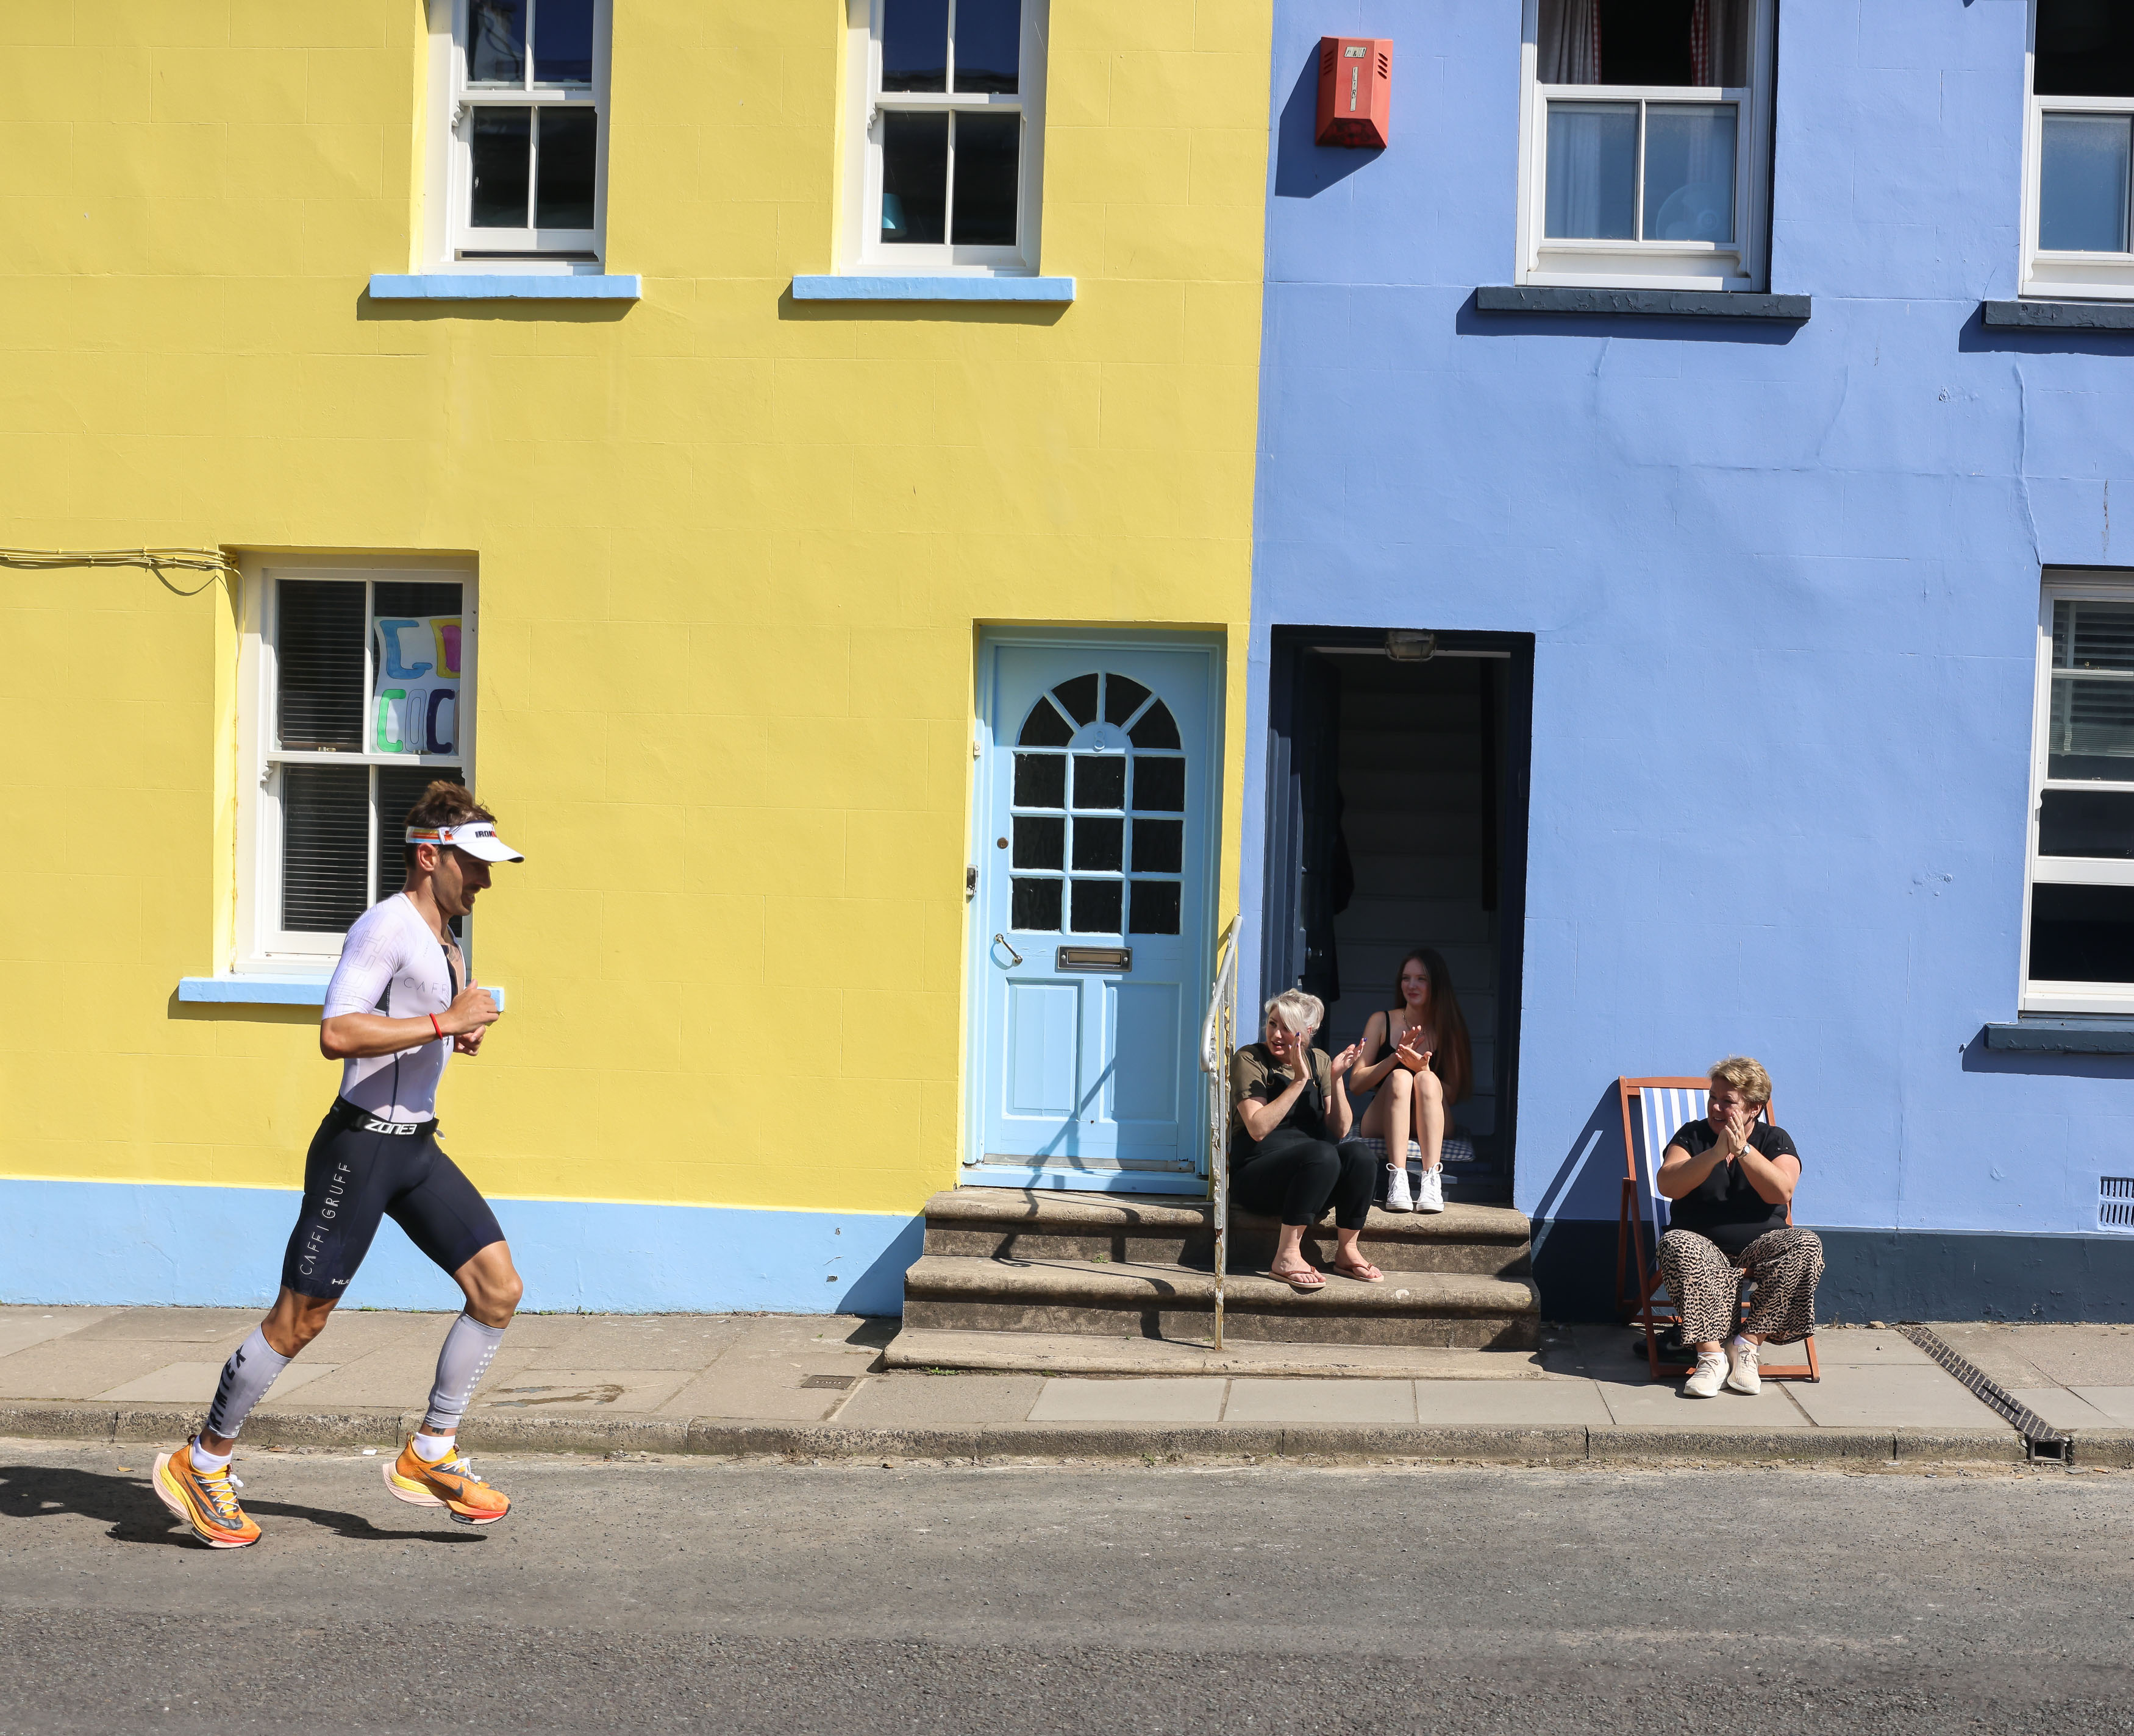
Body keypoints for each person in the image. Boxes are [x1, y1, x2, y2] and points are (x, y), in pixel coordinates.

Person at [152, 783, 528, 1548]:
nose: (485, 880)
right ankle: (203, 1458)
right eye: (474, 865)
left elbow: (407, 1027)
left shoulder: (448, 935)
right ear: (430, 857)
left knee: (498, 1288)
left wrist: (449, 1034)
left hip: (416, 1147)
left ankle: (429, 1453)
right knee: (301, 1320)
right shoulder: (384, 927)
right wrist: (440, 1020)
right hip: (359, 1149)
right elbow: (336, 1032)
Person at [1654, 1056, 1824, 1398]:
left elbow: (1782, 1190)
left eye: (1728, 1101)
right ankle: (1711, 1356)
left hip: (1760, 1245)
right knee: (1676, 1244)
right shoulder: (1693, 1135)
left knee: (1806, 1244)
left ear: (1754, 1108)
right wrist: (1716, 1154)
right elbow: (1668, 1184)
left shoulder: (1774, 1140)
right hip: (1700, 1242)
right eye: (1713, 1097)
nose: (1716, 1107)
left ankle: (1746, 1346)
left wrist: (1743, 1151)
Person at [1229, 989, 1382, 1289]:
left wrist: (1337, 1078)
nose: (1276, 1034)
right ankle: (1286, 1255)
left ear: (1307, 1032)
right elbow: (1257, 1127)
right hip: (1258, 1175)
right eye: (1273, 1024)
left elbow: (1340, 1129)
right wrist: (1299, 1081)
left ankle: (1347, 1251)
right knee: (1322, 1154)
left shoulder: (1320, 1060)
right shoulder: (1250, 1058)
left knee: (1361, 1156)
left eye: (1286, 1028)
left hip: (1313, 1177)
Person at [1348, 948, 1473, 1214]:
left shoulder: (1449, 1029)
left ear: (1436, 984)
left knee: (1426, 1080)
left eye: (1422, 979)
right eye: (1406, 978)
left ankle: (1431, 1179)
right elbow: (1356, 1084)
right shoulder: (1380, 1021)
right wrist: (1396, 1058)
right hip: (1383, 1117)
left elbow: (1451, 1095)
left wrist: (1425, 1069)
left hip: (1432, 1117)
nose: (1412, 985)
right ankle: (1398, 1178)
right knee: (1400, 1076)